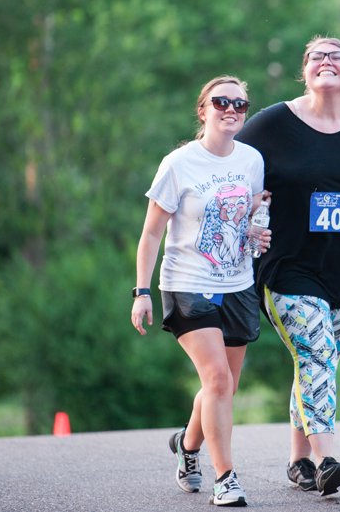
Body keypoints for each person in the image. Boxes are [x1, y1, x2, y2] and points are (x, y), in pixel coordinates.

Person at [235, 37, 340, 496]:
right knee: (317, 354)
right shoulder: (275, 122)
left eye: (337, 56)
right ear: (304, 73)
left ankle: (298, 460)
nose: (326, 62)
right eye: (315, 58)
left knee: (316, 361)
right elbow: (229, 161)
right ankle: (326, 459)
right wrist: (248, 205)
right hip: (289, 264)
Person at [131, 74, 270, 508]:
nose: (231, 110)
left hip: (238, 284)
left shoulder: (251, 160)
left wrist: (253, 231)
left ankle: (187, 447)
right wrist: (141, 291)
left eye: (240, 104)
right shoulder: (179, 163)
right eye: (221, 102)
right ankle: (226, 478)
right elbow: (152, 233)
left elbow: (246, 216)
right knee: (216, 378)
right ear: (203, 109)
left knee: (224, 387)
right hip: (188, 284)